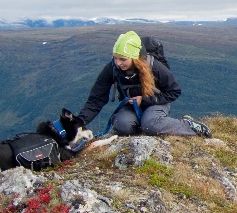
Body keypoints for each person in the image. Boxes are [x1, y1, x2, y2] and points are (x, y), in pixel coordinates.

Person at [77, 31, 211, 138]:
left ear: (135, 58)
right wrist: (79, 122)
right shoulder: (112, 69)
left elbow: (174, 91)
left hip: (157, 102)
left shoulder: (154, 67)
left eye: (123, 59)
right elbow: (96, 99)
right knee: (122, 126)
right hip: (131, 106)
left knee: (150, 124)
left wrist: (145, 99)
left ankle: (188, 125)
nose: (118, 63)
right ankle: (140, 126)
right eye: (115, 58)